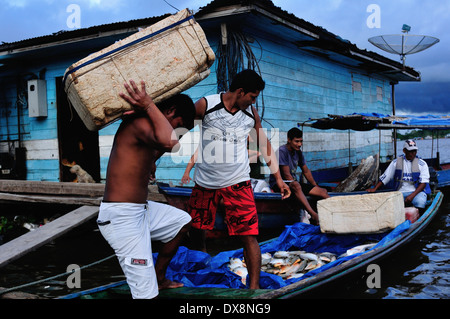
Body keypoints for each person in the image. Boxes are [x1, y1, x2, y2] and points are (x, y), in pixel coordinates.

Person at [187, 69, 290, 289]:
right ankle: (200, 272)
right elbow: (179, 126)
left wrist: (278, 179)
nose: (254, 102)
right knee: (197, 231)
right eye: (252, 97)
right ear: (241, 91)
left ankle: (253, 288)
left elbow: (263, 145)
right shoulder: (206, 104)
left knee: (249, 235)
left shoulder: (251, 114)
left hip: (238, 182)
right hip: (205, 183)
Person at [97, 80, 195, 299]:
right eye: (178, 126)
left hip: (140, 212)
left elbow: (160, 146)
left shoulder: (151, 131)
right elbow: (171, 143)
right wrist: (149, 104)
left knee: (182, 222)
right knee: (145, 295)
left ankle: (159, 277)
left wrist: (152, 162)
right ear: (169, 111)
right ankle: (151, 285)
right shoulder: (140, 122)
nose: (177, 133)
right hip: (122, 219)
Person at [269, 127, 329, 224]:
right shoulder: (282, 151)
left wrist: (314, 186)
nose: (299, 144)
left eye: (301, 141)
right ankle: (314, 215)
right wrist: (300, 189)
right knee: (296, 186)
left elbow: (306, 171)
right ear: (289, 140)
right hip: (279, 184)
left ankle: (337, 211)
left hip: (293, 183)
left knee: (323, 191)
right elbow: (287, 175)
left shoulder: (298, 152)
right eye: (296, 141)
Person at [367, 139, 430, 212]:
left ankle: (419, 217)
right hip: (400, 193)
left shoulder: (422, 164)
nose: (413, 154)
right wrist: (375, 188)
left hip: (416, 193)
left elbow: (423, 183)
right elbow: (385, 177)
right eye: (410, 151)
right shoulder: (396, 162)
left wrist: (411, 196)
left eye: (414, 151)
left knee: (420, 201)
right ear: (404, 151)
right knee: (387, 205)